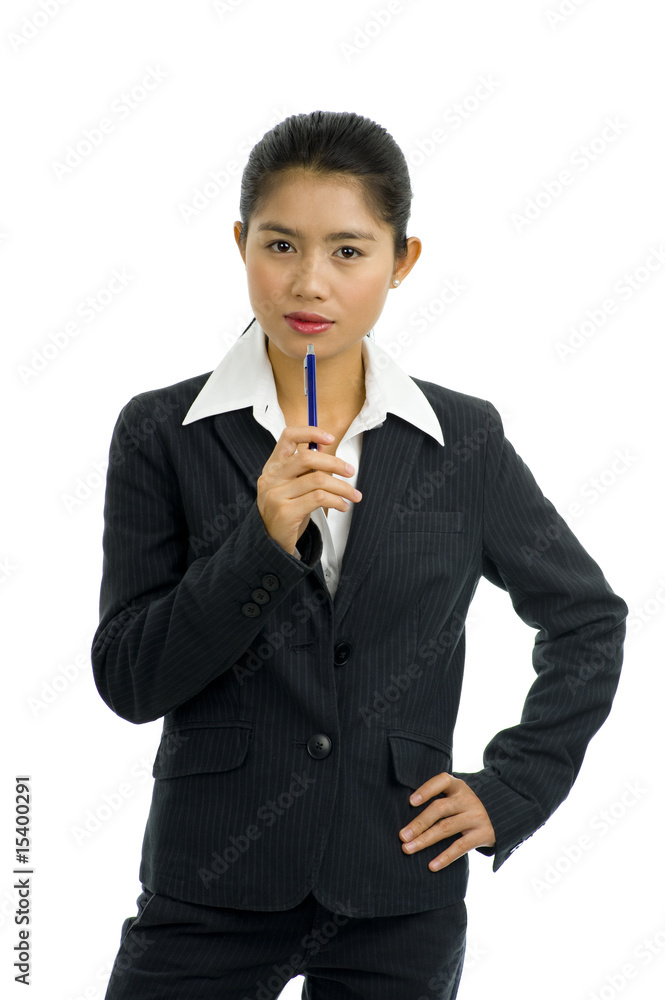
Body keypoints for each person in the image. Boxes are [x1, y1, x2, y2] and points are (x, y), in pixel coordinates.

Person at [91, 110, 628, 999]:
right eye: (279, 245)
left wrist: (513, 787)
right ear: (239, 244)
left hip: (399, 880)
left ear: (401, 260)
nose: (309, 282)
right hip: (210, 881)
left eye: (348, 251)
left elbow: (586, 619)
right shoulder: (160, 430)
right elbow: (128, 679)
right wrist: (260, 544)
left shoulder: (462, 438)